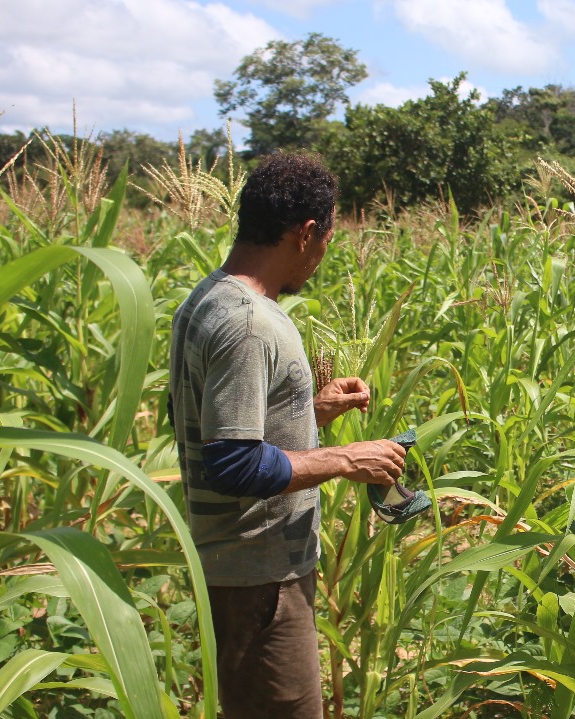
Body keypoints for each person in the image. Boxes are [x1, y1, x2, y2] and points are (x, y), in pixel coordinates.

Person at [168, 153, 406, 718]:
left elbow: (216, 425)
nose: (323, 256)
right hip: (259, 577)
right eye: (327, 240)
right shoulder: (250, 324)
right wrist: (346, 459)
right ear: (306, 234)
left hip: (242, 570)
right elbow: (231, 465)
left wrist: (308, 411)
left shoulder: (209, 297)